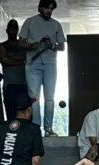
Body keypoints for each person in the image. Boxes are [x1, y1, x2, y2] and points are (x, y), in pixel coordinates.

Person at [20, 0, 65, 136]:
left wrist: (51, 45)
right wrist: (32, 45)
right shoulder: (30, 21)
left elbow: (62, 46)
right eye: (46, 8)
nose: (49, 11)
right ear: (40, 8)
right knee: (34, 98)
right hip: (33, 64)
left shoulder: (56, 24)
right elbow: (20, 42)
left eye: (51, 9)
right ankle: (35, 128)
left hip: (50, 64)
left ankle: (48, 129)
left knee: (50, 98)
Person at [0, 20, 29, 118]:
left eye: (15, 29)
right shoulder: (2, 46)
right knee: (11, 115)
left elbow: (28, 58)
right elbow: (5, 59)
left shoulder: (23, 45)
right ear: (7, 31)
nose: (13, 32)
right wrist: (21, 62)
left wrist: (13, 60)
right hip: (10, 86)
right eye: (11, 29)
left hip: (24, 85)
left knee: (25, 116)